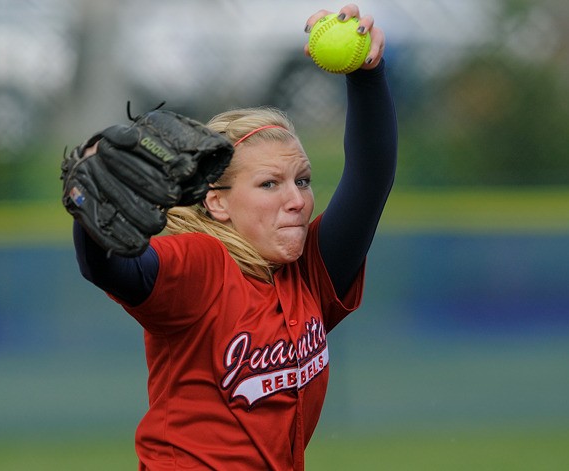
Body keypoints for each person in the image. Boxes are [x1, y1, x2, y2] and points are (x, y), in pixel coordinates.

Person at [71, 4, 397, 470]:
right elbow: (113, 268)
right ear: (217, 202)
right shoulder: (202, 266)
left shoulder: (310, 275)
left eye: (302, 181)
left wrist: (367, 73)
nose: (297, 201)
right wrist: (90, 216)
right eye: (269, 184)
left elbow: (370, 177)